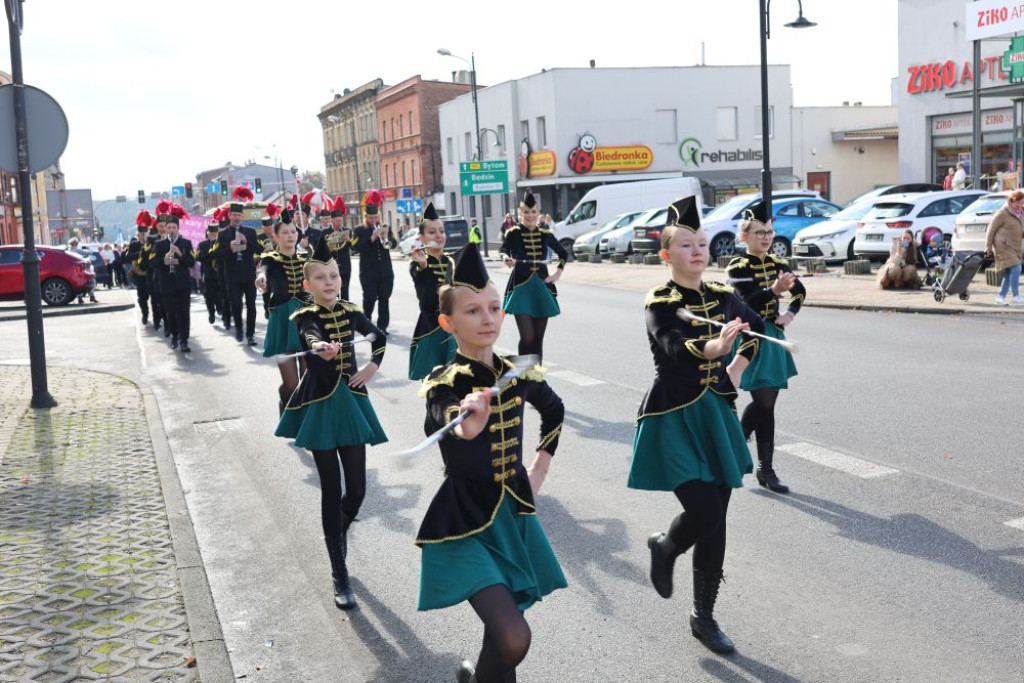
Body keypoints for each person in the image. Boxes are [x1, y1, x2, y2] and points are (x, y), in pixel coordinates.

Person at [415, 242, 566, 683]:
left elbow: (554, 410)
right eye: (473, 311)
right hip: (465, 521)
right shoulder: (443, 383)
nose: (488, 319)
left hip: (512, 514)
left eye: (494, 308)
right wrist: (468, 422)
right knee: (514, 636)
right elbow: (443, 418)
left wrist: (539, 470)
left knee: (502, 636)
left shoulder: (516, 372)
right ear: (448, 323)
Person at [630, 196, 764, 656]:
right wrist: (713, 350)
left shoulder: (723, 297)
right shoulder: (661, 301)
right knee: (704, 512)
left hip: (716, 414)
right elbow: (672, 344)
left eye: (702, 244)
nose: (697, 251)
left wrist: (736, 368)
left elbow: (757, 329)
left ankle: (703, 617)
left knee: (717, 519)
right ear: (666, 254)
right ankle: (666, 546)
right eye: (687, 245)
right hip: (674, 415)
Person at [274, 236, 387, 610]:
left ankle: (337, 534)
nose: (329, 282)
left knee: (357, 490)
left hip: (351, 404)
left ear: (341, 278)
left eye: (334, 276)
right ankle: (339, 570)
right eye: (320, 278)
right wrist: (320, 347)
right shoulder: (304, 316)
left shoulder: (352, 311)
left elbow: (377, 337)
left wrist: (372, 366)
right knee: (330, 487)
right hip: (321, 408)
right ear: (308, 285)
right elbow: (310, 336)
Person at [726, 201, 805, 494]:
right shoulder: (737, 266)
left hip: (772, 336)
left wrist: (790, 313)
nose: (766, 238)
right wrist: (774, 290)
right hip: (749, 335)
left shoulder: (777, 263)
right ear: (744, 236)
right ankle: (753, 456)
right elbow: (747, 300)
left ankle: (762, 466)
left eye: (769, 232)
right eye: (760, 232)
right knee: (764, 403)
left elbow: (800, 291)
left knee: (766, 402)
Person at [499, 189, 568, 361]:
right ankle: (523, 372)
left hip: (541, 288)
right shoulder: (513, 233)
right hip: (521, 288)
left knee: (538, 338)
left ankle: (536, 374)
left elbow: (563, 253)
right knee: (527, 337)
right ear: (520, 213)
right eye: (526, 212)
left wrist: (557, 273)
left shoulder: (545, 234)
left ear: (538, 213)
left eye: (533, 212)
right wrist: (506, 258)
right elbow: (503, 250)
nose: (530, 215)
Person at [256, 208, 308, 411]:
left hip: (306, 320)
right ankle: (284, 404)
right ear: (276, 236)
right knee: (291, 384)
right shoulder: (270, 257)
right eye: (285, 232)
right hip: (282, 321)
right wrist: (261, 278)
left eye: (293, 232)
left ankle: (304, 418)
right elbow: (263, 270)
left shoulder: (306, 256)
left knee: (308, 378)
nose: (290, 235)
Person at [408, 202, 456, 380]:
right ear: (422, 238)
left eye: (441, 231)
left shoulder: (452, 261)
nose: (438, 235)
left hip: (454, 326)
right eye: (432, 232)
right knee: (434, 382)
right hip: (431, 327)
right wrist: (424, 266)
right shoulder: (417, 264)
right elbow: (427, 299)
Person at [218, 187, 261, 345]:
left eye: (238, 215)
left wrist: (246, 242)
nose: (236, 217)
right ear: (229, 216)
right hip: (232, 276)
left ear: (242, 216)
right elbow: (218, 255)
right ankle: (238, 329)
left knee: (251, 306)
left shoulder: (250, 232)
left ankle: (250, 334)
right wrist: (229, 247)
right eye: (233, 215)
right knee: (236, 305)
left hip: (249, 274)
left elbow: (259, 249)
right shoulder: (223, 234)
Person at [154, 205, 196, 353]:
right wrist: (164, 259)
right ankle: (174, 337)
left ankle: (184, 341)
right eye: (169, 227)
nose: (171, 230)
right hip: (167, 285)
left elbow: (191, 263)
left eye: (174, 228)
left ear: (178, 229)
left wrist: (180, 254)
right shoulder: (159, 245)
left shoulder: (186, 243)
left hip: (183, 284)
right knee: (171, 313)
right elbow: (153, 264)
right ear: (165, 229)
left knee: (184, 313)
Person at [353, 190, 395, 334]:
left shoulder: (385, 227)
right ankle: (367, 321)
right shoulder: (359, 230)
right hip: (368, 272)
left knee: (384, 299)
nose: (373, 220)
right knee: (369, 298)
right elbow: (355, 247)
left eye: (375, 217)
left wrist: (387, 237)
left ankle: (382, 326)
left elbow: (394, 244)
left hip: (385, 271)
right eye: (370, 217)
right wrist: (371, 238)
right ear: (366, 217)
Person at [984, 189, 1024, 305]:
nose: (1020, 205)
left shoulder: (1021, 212)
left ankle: (1001, 297)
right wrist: (988, 247)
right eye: (1018, 202)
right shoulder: (1002, 213)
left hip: (1015, 246)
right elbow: (991, 229)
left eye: (1022, 202)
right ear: (1011, 201)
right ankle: (1016, 296)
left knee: (1009, 272)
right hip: (1003, 246)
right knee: (1016, 268)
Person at [320, 197, 354, 302]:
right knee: (333, 292)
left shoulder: (347, 230)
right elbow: (321, 249)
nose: (340, 223)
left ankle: (344, 309)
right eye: (337, 221)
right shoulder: (325, 232)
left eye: (341, 220)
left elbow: (354, 248)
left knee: (345, 292)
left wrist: (349, 240)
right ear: (332, 221)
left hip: (345, 266)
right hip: (331, 267)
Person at [126, 213, 153, 322]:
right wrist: (141, 252)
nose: (143, 236)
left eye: (145, 233)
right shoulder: (134, 245)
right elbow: (127, 257)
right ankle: (145, 314)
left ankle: (158, 317)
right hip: (140, 274)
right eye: (141, 234)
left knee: (156, 297)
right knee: (142, 297)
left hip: (152, 273)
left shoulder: (153, 243)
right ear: (138, 234)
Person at [195, 221, 222, 325]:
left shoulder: (222, 243)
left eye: (215, 232)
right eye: (212, 232)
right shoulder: (202, 245)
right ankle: (211, 313)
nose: (214, 234)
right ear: (208, 233)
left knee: (220, 295)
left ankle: (219, 307)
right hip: (208, 275)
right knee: (209, 296)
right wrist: (211, 255)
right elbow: (198, 257)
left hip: (221, 274)